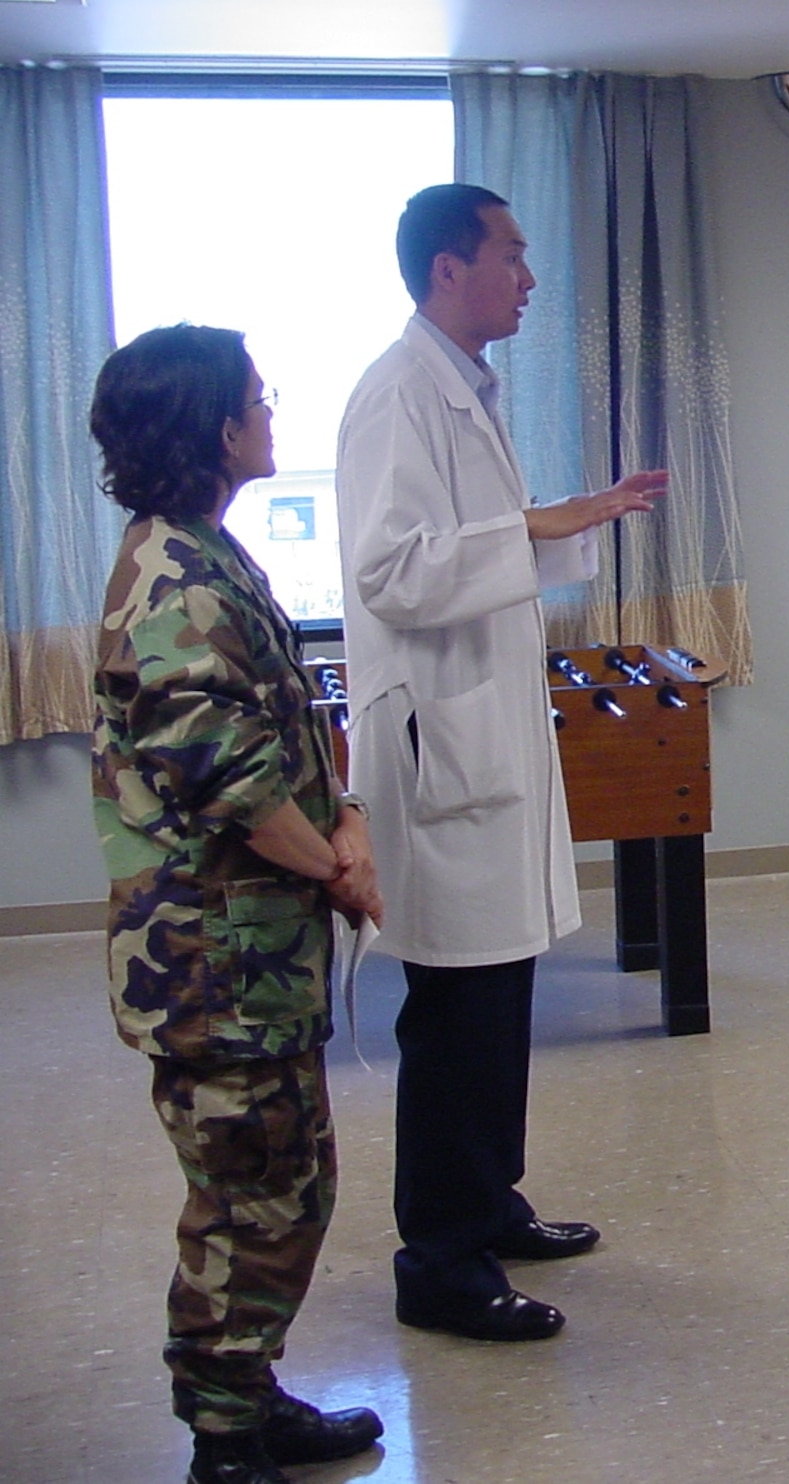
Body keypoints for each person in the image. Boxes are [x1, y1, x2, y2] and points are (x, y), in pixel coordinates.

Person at [334, 184, 667, 1342]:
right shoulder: (395, 395)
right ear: (445, 271)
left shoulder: (463, 387)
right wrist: (539, 528)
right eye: (511, 258)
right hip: (438, 742)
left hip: (480, 728)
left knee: (500, 988)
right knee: (457, 1010)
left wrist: (553, 518)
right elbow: (391, 572)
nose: (528, 278)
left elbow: (460, 545)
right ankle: (439, 1258)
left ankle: (490, 1201)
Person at [90, 325, 386, 1484]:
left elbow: (287, 738)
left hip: (254, 955)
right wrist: (335, 865)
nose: (270, 408)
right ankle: (223, 1436)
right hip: (210, 964)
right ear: (218, 429)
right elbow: (231, 783)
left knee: (286, 1184)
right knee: (247, 1195)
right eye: (256, 397)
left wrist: (346, 815)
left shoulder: (205, 554)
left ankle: (248, 1393)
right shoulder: (169, 582)